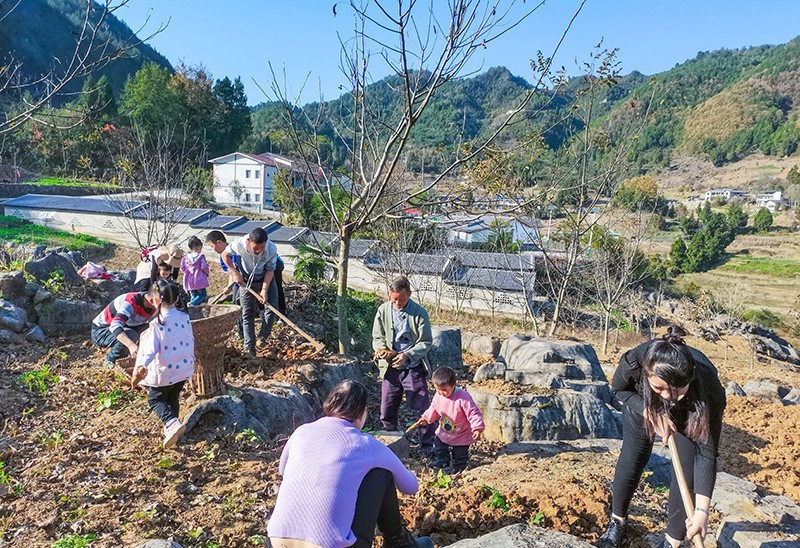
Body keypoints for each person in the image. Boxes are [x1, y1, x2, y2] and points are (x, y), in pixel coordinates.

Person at [599, 326, 726, 548]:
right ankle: (617, 521)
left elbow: (706, 453)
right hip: (643, 403)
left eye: (677, 389)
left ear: (690, 377)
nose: (670, 397)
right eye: (660, 388)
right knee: (633, 456)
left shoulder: (710, 391)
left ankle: (672, 542)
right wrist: (651, 412)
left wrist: (702, 512)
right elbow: (619, 390)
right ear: (647, 373)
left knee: (685, 473)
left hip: (690, 411)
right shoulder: (635, 361)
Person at [267, 380, 433, 548]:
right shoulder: (365, 444)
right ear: (362, 413)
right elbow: (411, 487)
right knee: (380, 474)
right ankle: (399, 544)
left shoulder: (301, 431)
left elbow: (283, 470)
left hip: (275, 542)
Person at [372, 276, 435, 454]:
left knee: (423, 408)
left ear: (409, 295)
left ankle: (428, 446)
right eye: (394, 299)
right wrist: (381, 349)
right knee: (387, 409)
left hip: (412, 368)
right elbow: (377, 336)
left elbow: (425, 342)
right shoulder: (383, 310)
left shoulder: (419, 313)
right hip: (390, 369)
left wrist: (407, 355)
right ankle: (391, 445)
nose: (398, 303)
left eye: (402, 299)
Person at [131, 279, 194, 449]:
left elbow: (150, 350)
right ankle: (172, 431)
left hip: (165, 372)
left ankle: (171, 423)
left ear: (155, 300)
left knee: (155, 400)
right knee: (172, 397)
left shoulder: (158, 324)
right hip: (183, 369)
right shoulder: (184, 317)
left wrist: (142, 366)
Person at [222, 227, 279, 355]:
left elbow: (270, 270)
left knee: (272, 306)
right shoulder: (239, 244)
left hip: (265, 276)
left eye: (261, 248)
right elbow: (224, 255)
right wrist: (235, 273)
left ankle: (263, 337)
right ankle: (249, 347)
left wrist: (264, 290)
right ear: (249, 241)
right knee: (247, 313)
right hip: (246, 280)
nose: (258, 251)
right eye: (255, 248)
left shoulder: (271, 249)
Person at [416, 367, 484, 473]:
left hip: (462, 433)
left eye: (444, 390)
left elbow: (473, 413)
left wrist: (477, 428)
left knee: (460, 454)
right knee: (439, 448)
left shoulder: (463, 398)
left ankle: (459, 468)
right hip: (444, 431)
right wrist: (426, 418)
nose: (441, 393)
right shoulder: (438, 396)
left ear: (453, 385)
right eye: (437, 390)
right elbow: (434, 408)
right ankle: (442, 463)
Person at [91, 287, 159, 369]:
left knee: (152, 329)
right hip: (101, 330)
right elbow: (115, 325)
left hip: (128, 325)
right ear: (152, 301)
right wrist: (131, 345)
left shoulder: (154, 303)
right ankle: (111, 359)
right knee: (131, 336)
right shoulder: (130, 303)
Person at [181, 236, 210, 306]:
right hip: (199, 279)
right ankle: (191, 304)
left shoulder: (185, 258)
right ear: (198, 247)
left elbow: (182, 268)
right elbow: (204, 266)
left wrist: (187, 272)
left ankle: (192, 311)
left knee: (193, 295)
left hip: (188, 279)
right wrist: (207, 273)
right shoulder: (201, 256)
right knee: (202, 295)